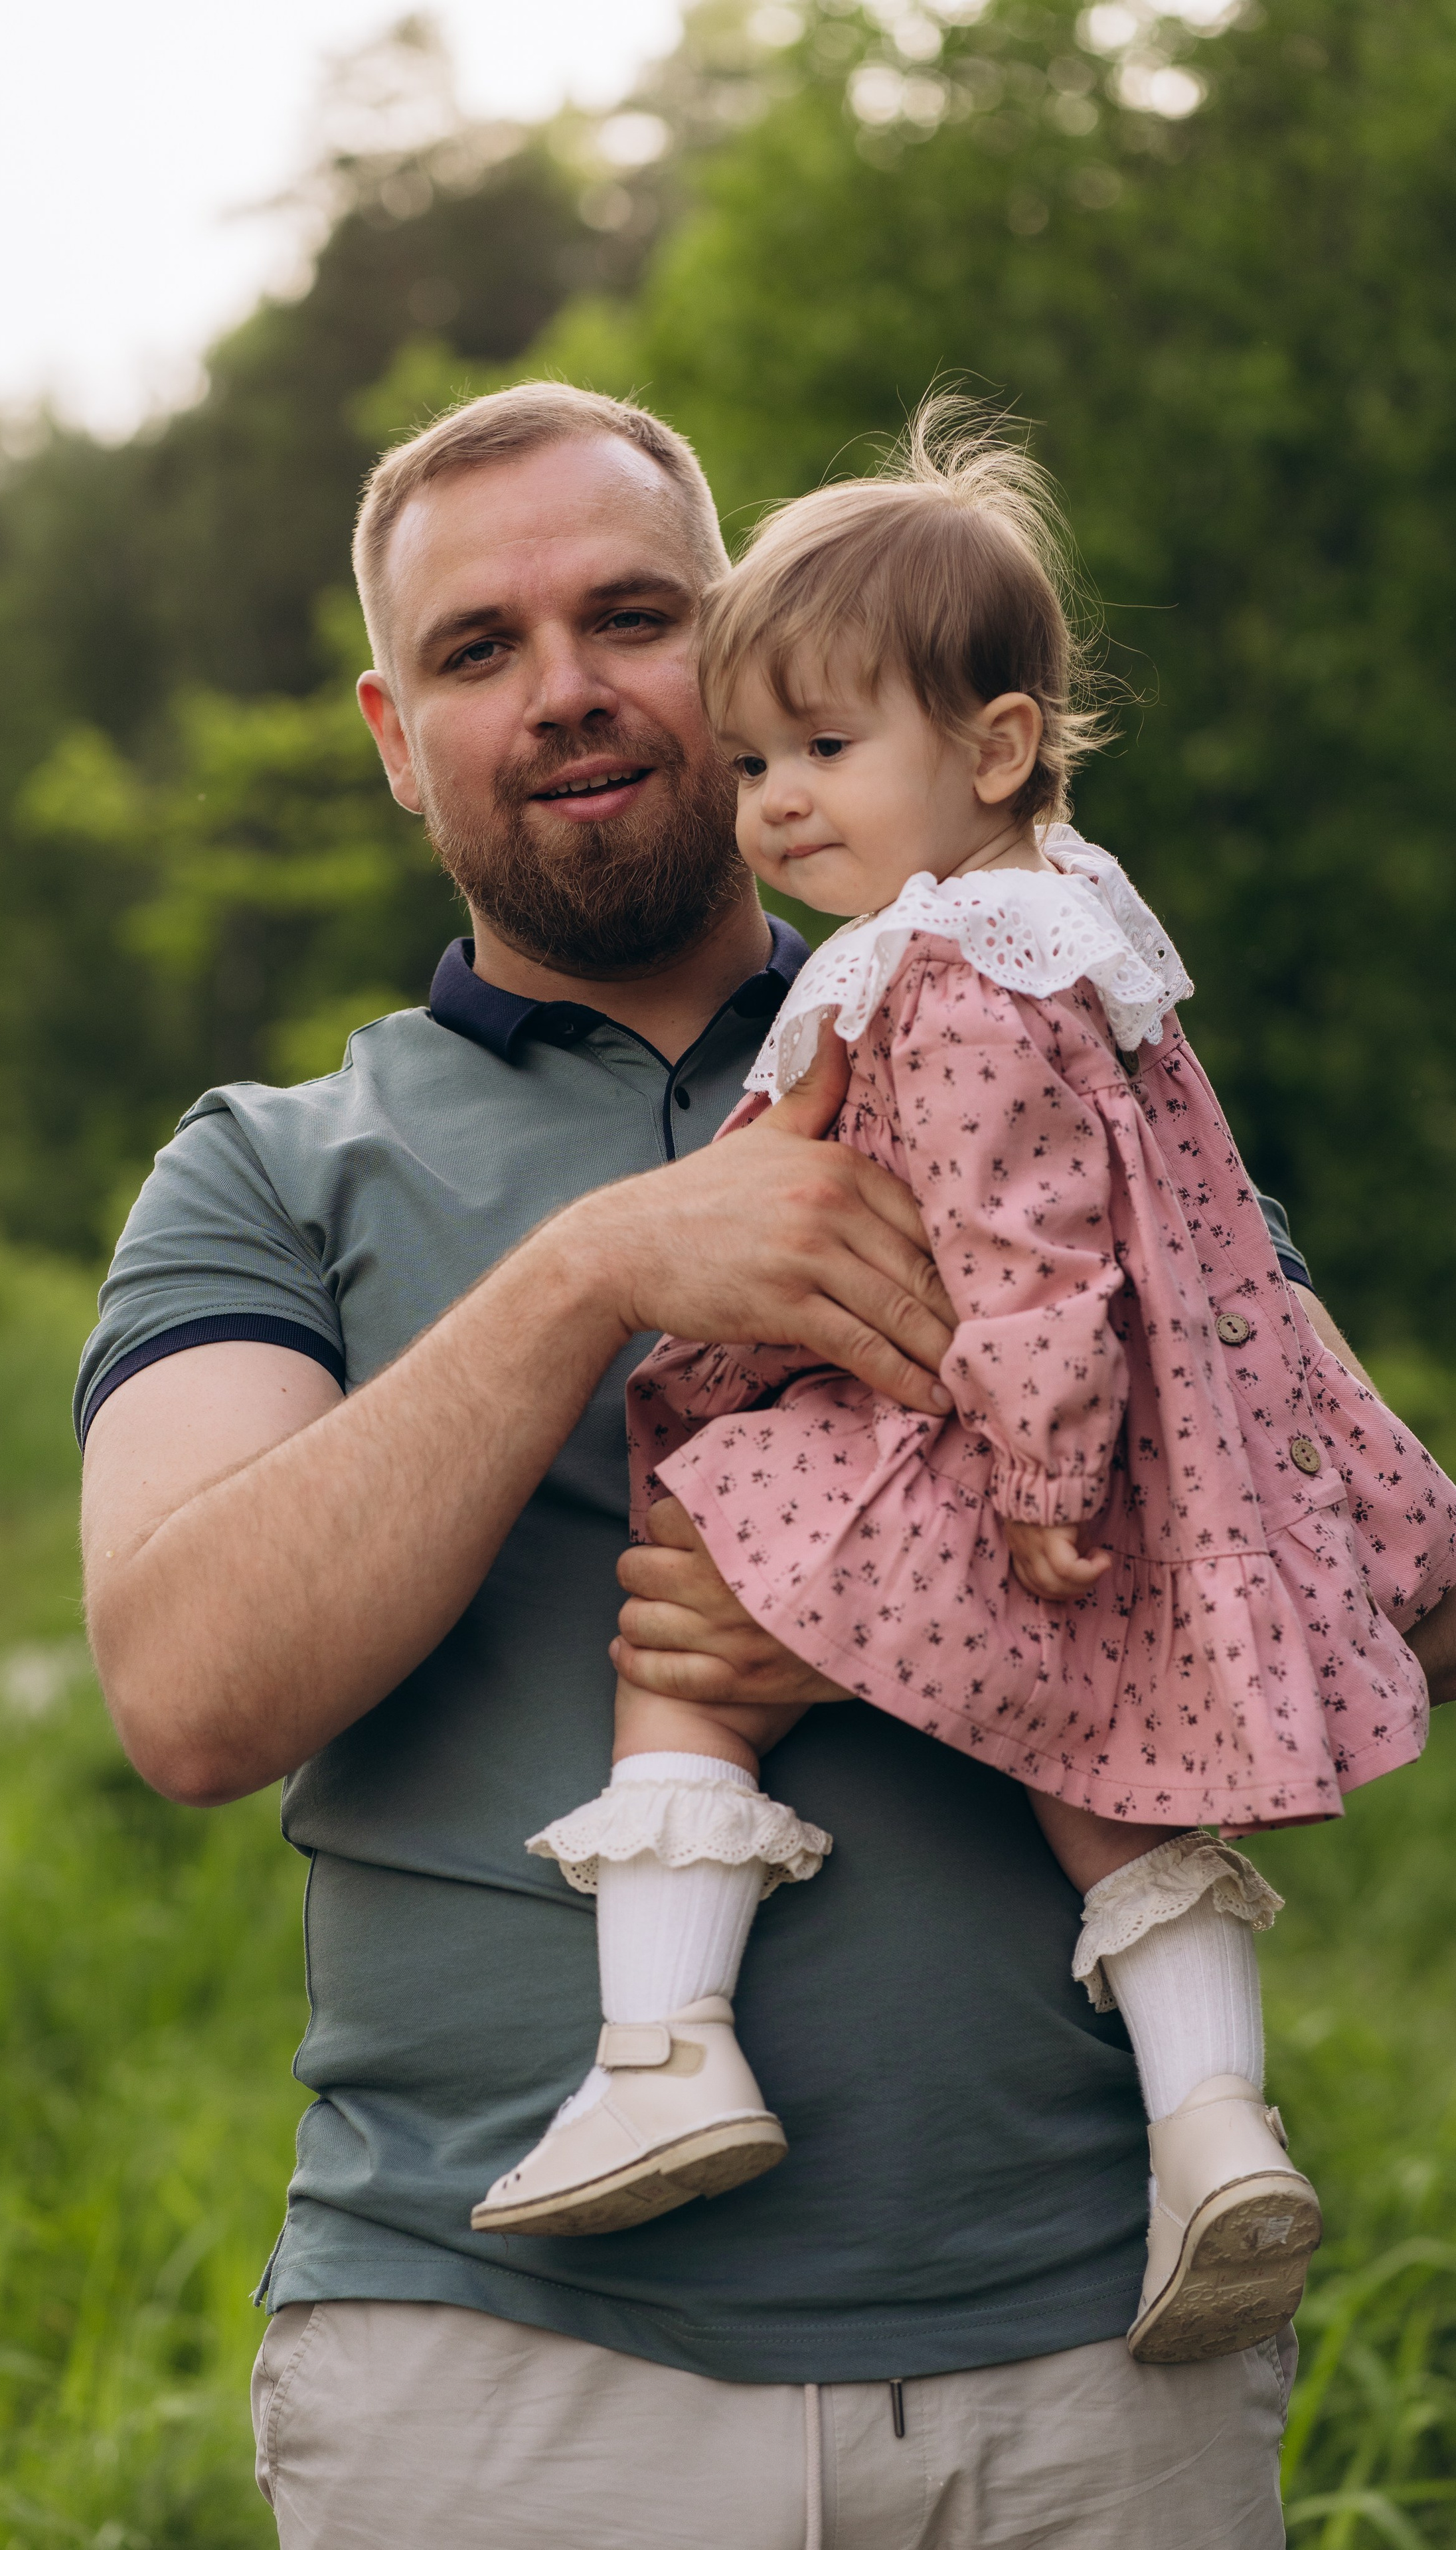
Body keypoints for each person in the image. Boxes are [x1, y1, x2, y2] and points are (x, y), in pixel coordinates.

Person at [77, 382, 1456, 2549]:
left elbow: (1359, 1576)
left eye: (632, 616)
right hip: (501, 2379)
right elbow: (187, 1693)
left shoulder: (1050, 1043)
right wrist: (591, 1271)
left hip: (1089, 2362)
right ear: (388, 730)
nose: (564, 691)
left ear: (750, 648)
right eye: (476, 650)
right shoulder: (267, 1171)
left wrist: (910, 1608)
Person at [472, 405, 1456, 2384]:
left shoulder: (948, 970)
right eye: (754, 762)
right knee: (1109, 1765)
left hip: (1021, 1442)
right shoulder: (1071, 938)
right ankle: (1211, 2125)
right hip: (1135, 1440)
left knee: (700, 1560)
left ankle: (665, 2043)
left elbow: (1025, 1253)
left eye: (824, 754)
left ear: (994, 750)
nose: (770, 804)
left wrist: (1033, 1476)